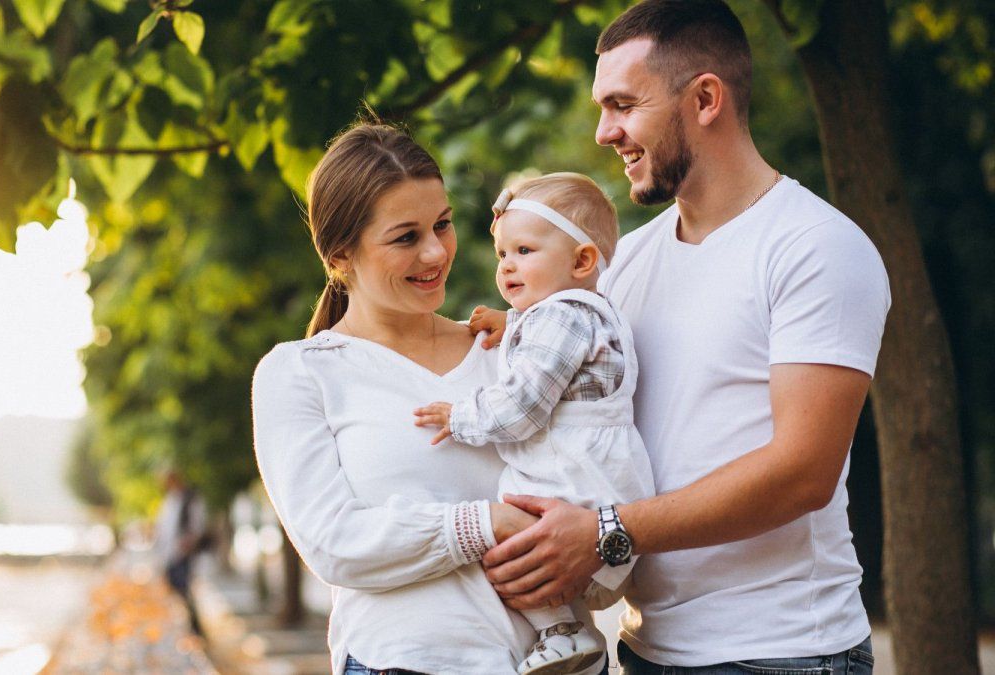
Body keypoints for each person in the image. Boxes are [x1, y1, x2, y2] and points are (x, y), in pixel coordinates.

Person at [478, 1, 891, 673]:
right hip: (647, 648)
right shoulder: (623, 265)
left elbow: (804, 472)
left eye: (622, 105)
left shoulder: (815, 247)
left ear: (704, 99)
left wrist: (607, 531)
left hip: (782, 654)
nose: (604, 132)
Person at [252, 123, 606, 675]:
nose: (436, 251)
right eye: (405, 237)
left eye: (443, 223)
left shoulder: (515, 350)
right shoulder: (300, 372)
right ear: (340, 255)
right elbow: (335, 544)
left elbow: (598, 466)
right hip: (405, 663)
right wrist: (484, 524)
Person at [413, 172, 654, 675]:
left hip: (573, 479)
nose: (506, 266)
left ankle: (562, 629)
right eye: (502, 254)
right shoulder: (578, 313)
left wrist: (461, 416)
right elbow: (560, 354)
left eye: (524, 251)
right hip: (602, 478)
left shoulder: (560, 319)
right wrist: (515, 322)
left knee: (500, 539)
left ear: (582, 261)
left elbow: (522, 406)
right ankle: (567, 628)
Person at [154, 469, 206, 635]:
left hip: (183, 553)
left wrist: (188, 542)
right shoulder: (170, 500)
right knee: (175, 587)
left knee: (184, 589)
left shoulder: (190, 499)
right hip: (170, 553)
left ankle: (194, 629)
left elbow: (197, 525)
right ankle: (185, 626)